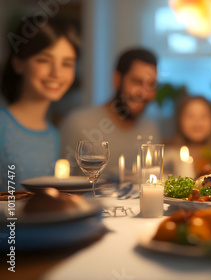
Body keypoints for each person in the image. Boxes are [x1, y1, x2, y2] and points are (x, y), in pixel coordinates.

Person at [0, 17, 80, 190]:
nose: (56, 73)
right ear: (19, 63)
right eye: (43, 60)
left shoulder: (53, 135)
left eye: (67, 64)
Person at [59, 48, 160, 179]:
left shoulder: (150, 128)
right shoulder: (78, 123)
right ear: (117, 80)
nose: (144, 93)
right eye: (137, 82)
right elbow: (58, 185)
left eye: (151, 85)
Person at [163, 95, 211, 177]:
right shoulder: (167, 160)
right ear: (179, 120)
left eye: (203, 116)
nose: (197, 121)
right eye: (190, 116)